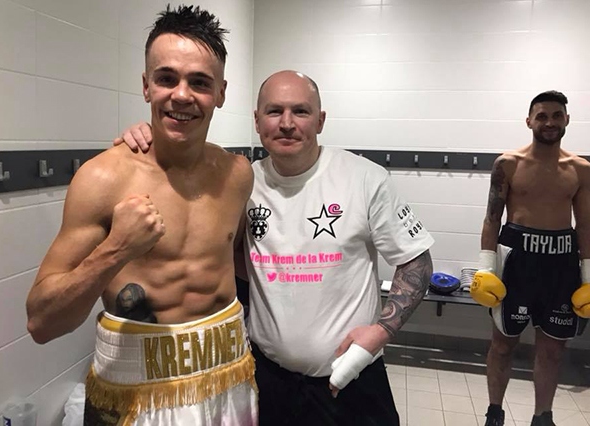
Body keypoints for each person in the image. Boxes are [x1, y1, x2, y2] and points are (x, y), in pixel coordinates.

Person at [117, 70, 435, 425]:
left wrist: (380, 332)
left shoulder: (364, 178)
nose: (286, 123)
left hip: (353, 376)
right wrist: (151, 139)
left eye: (300, 111)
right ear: (256, 120)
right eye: (274, 111)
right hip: (270, 381)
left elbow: (416, 262)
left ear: (320, 120)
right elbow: (212, 236)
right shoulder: (241, 182)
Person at [26, 5, 258, 425]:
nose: (182, 95)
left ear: (221, 93)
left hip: (227, 376)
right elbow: (40, 322)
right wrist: (115, 250)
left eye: (199, 83)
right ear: (146, 86)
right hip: (133, 387)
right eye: (167, 78)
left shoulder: (238, 175)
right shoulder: (102, 179)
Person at [470, 90, 590, 426]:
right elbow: (493, 218)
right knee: (503, 344)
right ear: (529, 121)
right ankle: (495, 412)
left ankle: (543, 417)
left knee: (553, 350)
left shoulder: (580, 169)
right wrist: (485, 268)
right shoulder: (508, 164)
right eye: (542, 116)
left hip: (560, 263)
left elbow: (585, 226)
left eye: (556, 115)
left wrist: (588, 278)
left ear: (567, 119)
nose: (549, 122)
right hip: (516, 262)